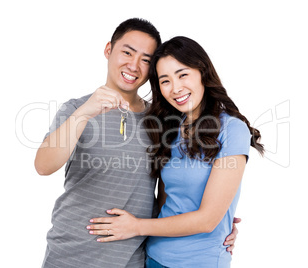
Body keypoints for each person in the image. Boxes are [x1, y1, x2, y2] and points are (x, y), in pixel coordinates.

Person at [35, 19, 239, 268]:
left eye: (145, 59)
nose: (134, 65)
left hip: (134, 259)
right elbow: (43, 166)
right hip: (72, 255)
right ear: (109, 50)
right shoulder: (77, 109)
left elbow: (171, 192)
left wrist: (219, 223)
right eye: (127, 52)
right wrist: (85, 113)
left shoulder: (161, 121)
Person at [86, 36, 264, 267]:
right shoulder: (169, 128)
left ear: (202, 72)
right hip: (153, 257)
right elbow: (165, 201)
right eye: (165, 80)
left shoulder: (232, 129)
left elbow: (208, 220)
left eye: (183, 75)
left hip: (200, 261)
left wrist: (136, 226)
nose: (176, 88)